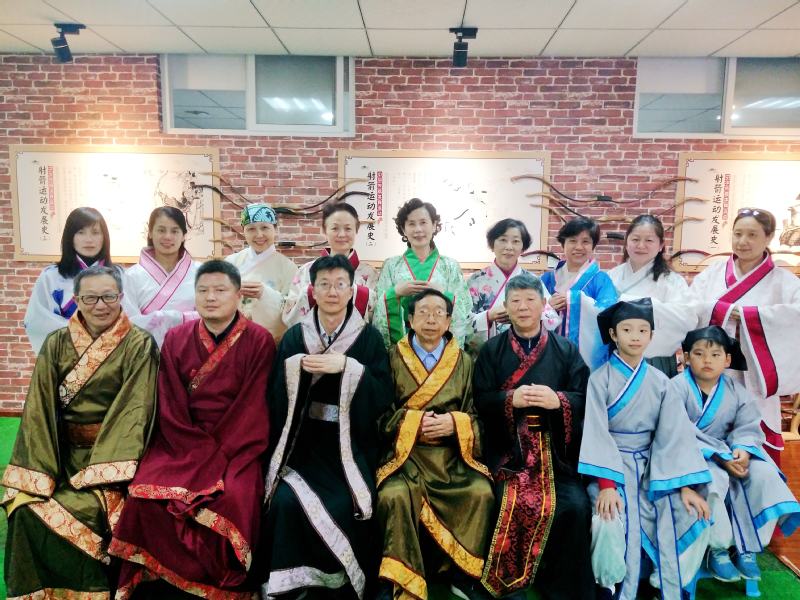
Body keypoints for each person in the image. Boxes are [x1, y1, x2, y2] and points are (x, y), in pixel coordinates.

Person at [109, 260, 275, 598]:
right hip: (181, 441)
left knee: (234, 499)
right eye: (203, 291)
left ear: (238, 295)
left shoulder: (260, 341)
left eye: (220, 290)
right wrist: (194, 450)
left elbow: (252, 408)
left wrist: (216, 456)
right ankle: (156, 589)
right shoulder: (176, 338)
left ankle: (220, 587)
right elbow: (169, 402)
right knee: (143, 498)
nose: (210, 297)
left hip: (236, 447)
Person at [2, 265, 158, 598]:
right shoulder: (56, 343)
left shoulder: (140, 344)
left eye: (108, 297)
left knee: (94, 510)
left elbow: (135, 409)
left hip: (114, 459)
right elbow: (40, 406)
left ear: (121, 297)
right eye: (90, 298)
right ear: (76, 300)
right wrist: (41, 472)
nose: (100, 305)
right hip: (60, 456)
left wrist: (101, 471)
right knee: (26, 508)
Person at [261, 254, 392, 600]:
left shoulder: (369, 339)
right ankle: (293, 582)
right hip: (302, 443)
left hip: (349, 444)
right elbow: (275, 393)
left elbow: (382, 395)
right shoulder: (295, 336)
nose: (332, 292)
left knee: (349, 503)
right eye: (324, 284)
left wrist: (349, 368)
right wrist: (296, 368)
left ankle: (338, 581)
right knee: (285, 501)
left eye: (340, 285)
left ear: (351, 291)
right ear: (313, 291)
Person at [578, 299, 711, 600]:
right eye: (627, 330)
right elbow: (596, 433)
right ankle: (608, 585)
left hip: (653, 468)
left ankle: (662, 581)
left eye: (642, 330)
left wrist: (685, 486)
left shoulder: (662, 382)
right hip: (612, 468)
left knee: (695, 515)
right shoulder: (599, 380)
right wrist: (606, 486)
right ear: (613, 334)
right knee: (608, 517)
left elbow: (674, 435)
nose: (635, 337)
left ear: (651, 336)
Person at [473, 273, 594, 600]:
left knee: (574, 506)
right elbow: (480, 400)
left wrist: (559, 400)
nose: (523, 307)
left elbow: (585, 397)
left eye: (530, 300)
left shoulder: (566, 350)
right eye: (515, 301)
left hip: (556, 454)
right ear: (506, 306)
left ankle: (562, 587)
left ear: (543, 305)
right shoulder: (491, 350)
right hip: (508, 450)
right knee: (507, 499)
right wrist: (508, 400)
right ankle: (511, 584)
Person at [376, 288, 494, 600]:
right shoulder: (392, 358)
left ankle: (462, 574)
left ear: (449, 321)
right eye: (424, 312)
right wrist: (413, 425)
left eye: (439, 313)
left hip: (452, 456)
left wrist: (455, 424)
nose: (431, 319)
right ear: (410, 319)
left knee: (480, 491)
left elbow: (477, 415)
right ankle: (398, 579)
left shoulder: (464, 362)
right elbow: (379, 414)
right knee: (393, 495)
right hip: (407, 457)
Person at [670, 326, 800, 583]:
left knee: (765, 475)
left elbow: (747, 425)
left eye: (716, 355)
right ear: (686, 357)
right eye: (699, 354)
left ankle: (749, 546)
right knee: (713, 480)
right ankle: (717, 549)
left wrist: (742, 449)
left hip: (731, 452)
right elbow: (674, 430)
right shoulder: (674, 388)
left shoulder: (736, 391)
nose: (707, 360)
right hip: (691, 455)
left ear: (727, 360)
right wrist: (718, 455)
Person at [689, 207, 800, 465]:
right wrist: (726, 312)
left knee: (755, 436)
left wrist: (752, 316)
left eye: (752, 235)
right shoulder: (712, 274)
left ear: (768, 237)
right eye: (738, 234)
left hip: (756, 373)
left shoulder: (783, 280)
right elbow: (690, 308)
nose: (743, 241)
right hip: (714, 367)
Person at [373, 198, 472, 348]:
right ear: (403, 229)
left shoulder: (450, 266)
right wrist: (395, 293)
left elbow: (464, 308)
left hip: (441, 345)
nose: (418, 229)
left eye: (423, 222)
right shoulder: (391, 265)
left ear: (434, 225)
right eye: (411, 224)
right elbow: (379, 307)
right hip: (403, 342)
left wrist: (442, 293)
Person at [24, 207, 122, 354]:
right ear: (70, 237)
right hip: (67, 357)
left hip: (113, 356)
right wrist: (80, 335)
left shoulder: (120, 275)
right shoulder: (51, 276)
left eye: (95, 232)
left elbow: (130, 319)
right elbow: (37, 321)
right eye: (81, 232)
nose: (89, 239)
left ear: (104, 237)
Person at [607, 214, 693, 376]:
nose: (641, 245)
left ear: (661, 245)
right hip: (616, 359)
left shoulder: (672, 281)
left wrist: (641, 304)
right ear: (626, 242)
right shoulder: (611, 276)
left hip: (655, 362)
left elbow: (686, 319)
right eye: (635, 239)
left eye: (649, 240)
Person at [466, 218, 560, 354]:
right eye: (503, 240)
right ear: (492, 244)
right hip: (487, 355)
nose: (509, 247)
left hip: (525, 354)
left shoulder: (533, 281)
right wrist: (488, 316)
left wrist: (527, 313)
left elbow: (550, 319)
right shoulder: (476, 281)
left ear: (523, 247)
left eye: (516, 241)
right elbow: (461, 322)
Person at [283, 202, 377, 327]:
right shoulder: (305, 271)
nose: (342, 234)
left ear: (356, 230)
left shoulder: (370, 273)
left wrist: (360, 293)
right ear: (324, 230)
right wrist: (310, 293)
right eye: (335, 228)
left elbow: (377, 317)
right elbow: (288, 316)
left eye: (348, 229)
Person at [540, 217, 618, 369]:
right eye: (572, 241)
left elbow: (609, 313)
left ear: (593, 246)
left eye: (585, 242)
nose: (579, 247)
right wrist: (547, 307)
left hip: (585, 359)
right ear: (563, 244)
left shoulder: (601, 279)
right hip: (549, 354)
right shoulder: (547, 279)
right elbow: (530, 311)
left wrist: (574, 299)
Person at [125, 206, 200, 346]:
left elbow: (211, 314)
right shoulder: (130, 276)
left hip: (191, 350)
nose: (168, 237)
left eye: (174, 231)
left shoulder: (201, 272)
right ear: (150, 233)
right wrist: (172, 318)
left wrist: (165, 319)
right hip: (146, 352)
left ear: (184, 235)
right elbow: (128, 322)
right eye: (161, 230)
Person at [226, 203, 298, 341]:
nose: (259, 235)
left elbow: (293, 312)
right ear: (243, 231)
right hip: (233, 340)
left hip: (270, 342)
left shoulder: (289, 268)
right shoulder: (230, 263)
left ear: (275, 228)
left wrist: (265, 294)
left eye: (265, 227)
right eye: (251, 229)